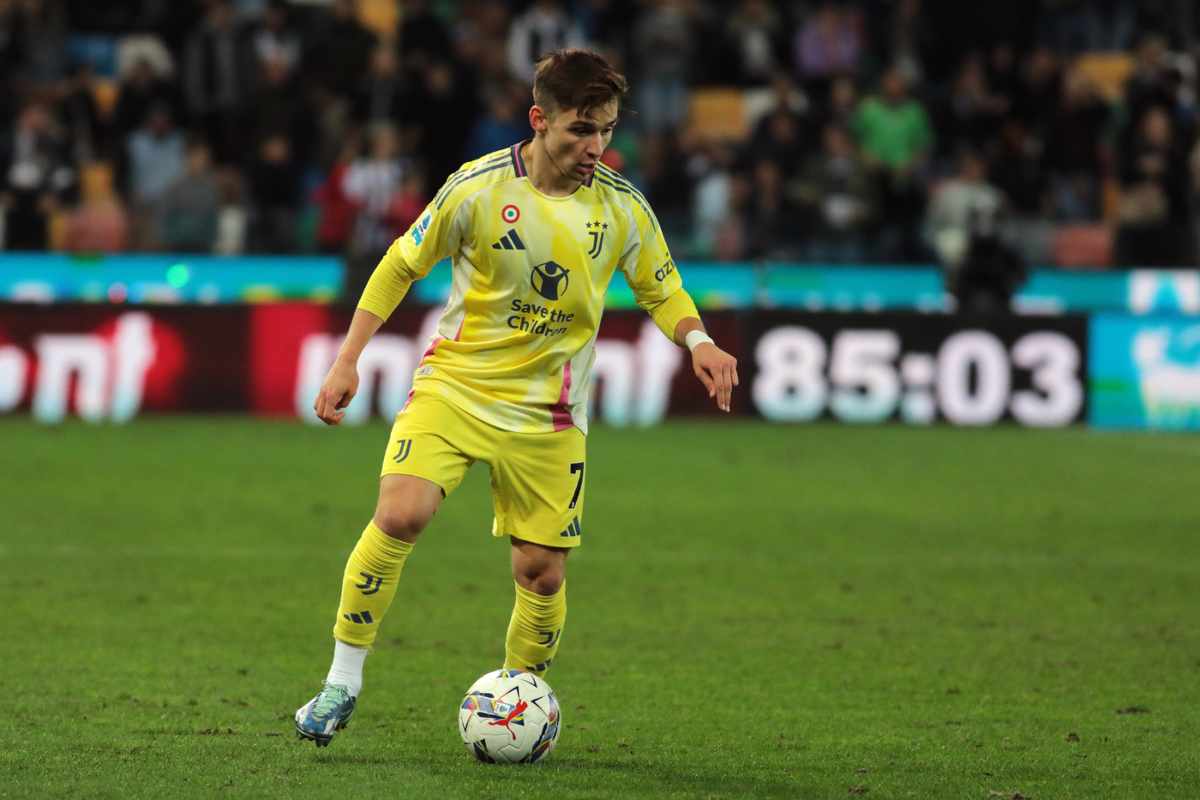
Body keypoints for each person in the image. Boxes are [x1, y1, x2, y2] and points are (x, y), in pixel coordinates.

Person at [294, 48, 738, 747]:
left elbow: (661, 286)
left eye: (607, 130)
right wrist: (348, 359)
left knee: (541, 572)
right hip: (457, 387)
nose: (596, 146)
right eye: (581, 129)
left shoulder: (621, 206)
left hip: (549, 413)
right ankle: (340, 682)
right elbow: (401, 264)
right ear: (539, 120)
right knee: (401, 514)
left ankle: (519, 703)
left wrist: (699, 340)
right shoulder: (475, 189)